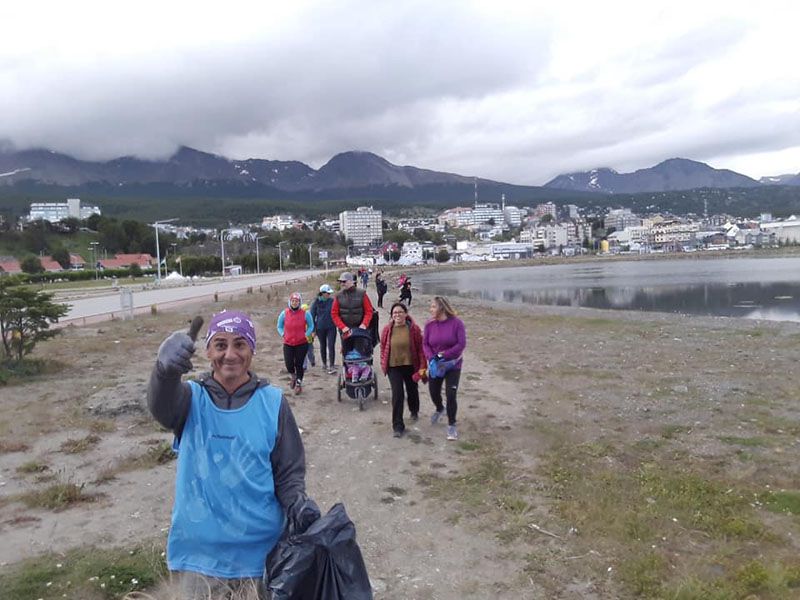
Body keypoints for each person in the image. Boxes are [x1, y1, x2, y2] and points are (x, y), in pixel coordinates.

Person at [147, 309, 317, 598]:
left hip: (261, 556)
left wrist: (298, 505)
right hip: (199, 558)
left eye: (240, 344)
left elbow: (288, 473)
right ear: (208, 350)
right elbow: (162, 408)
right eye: (220, 345)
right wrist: (163, 373)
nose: (230, 355)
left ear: (251, 349)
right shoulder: (190, 398)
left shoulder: (272, 402)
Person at [423, 296, 467, 441]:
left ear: (442, 308)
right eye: (431, 307)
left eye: (433, 307)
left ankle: (452, 425)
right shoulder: (429, 325)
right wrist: (431, 357)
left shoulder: (457, 323)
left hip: (453, 364)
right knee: (433, 392)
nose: (431, 309)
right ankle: (440, 408)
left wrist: (444, 354)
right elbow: (425, 344)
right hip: (436, 365)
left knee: (451, 394)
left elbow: (461, 344)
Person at [380, 302, 426, 438]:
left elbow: (421, 349)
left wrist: (422, 367)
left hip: (410, 365)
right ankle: (398, 426)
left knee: (412, 390)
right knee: (397, 394)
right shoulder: (387, 330)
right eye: (394, 313)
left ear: (406, 314)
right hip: (393, 367)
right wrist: (384, 362)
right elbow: (383, 347)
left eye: (400, 312)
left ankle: (414, 410)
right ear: (391, 316)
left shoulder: (414, 329)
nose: (397, 315)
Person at [277, 292, 314, 395]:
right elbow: (279, 325)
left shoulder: (305, 313)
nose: (294, 303)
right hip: (288, 343)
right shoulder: (284, 313)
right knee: (289, 364)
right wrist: (283, 334)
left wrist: (306, 334)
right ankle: (293, 376)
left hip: (301, 343)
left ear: (299, 302)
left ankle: (298, 383)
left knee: (299, 364)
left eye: (296, 301)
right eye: (293, 301)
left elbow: (311, 326)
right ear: (290, 302)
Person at [331, 272, 374, 357]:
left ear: (351, 281)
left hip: (359, 329)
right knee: (346, 353)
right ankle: (348, 370)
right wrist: (342, 327)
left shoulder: (362, 293)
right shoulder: (338, 296)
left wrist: (364, 324)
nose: (342, 284)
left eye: (344, 281)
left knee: (360, 352)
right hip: (345, 330)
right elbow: (334, 313)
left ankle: (362, 369)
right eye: (341, 282)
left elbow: (369, 311)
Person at [310, 284, 337, 374]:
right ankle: (324, 363)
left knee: (331, 345)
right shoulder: (315, 303)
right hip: (320, 328)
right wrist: (313, 330)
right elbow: (312, 317)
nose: (329, 295)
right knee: (323, 345)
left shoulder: (332, 301)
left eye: (330, 293)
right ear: (322, 293)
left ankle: (332, 365)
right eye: (327, 293)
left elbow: (336, 313)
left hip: (331, 327)